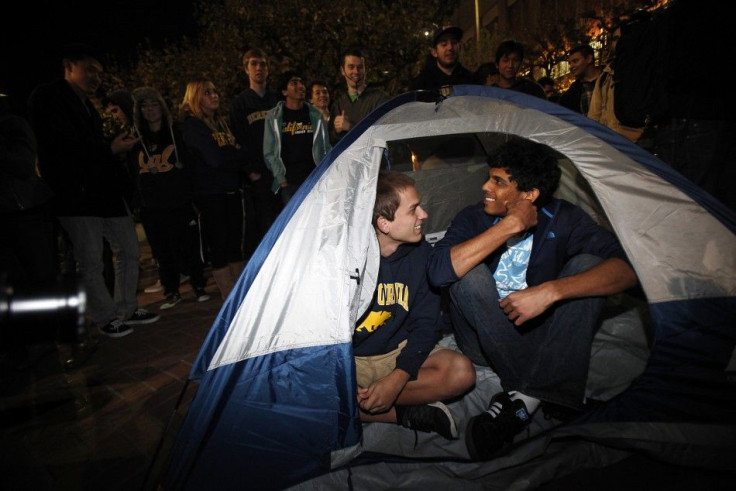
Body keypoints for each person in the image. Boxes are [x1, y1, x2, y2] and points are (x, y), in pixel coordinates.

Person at [426, 138, 637, 460]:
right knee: (466, 273)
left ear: (529, 194)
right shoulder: (473, 217)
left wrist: (553, 291)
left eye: (497, 181)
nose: (485, 186)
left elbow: (628, 269)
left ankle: (525, 400)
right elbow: (439, 273)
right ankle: (555, 393)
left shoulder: (565, 217)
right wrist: (510, 224)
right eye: (489, 176)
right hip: (481, 338)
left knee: (588, 267)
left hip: (540, 330)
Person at [27, 43, 159, 339]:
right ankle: (105, 317)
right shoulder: (48, 97)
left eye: (99, 72)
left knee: (129, 250)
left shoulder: (89, 106)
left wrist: (114, 149)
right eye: (89, 70)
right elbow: (62, 145)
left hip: (105, 193)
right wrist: (109, 148)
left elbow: (95, 150)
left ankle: (127, 309)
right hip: (75, 196)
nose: (96, 78)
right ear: (69, 66)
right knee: (90, 260)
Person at [354, 170, 475, 439]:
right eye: (413, 210)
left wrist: (397, 378)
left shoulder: (421, 255)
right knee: (295, 390)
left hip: (396, 352)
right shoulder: (347, 262)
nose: (424, 215)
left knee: (461, 373)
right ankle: (404, 414)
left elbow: (426, 324)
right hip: (351, 360)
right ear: (384, 223)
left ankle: (361, 405)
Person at [130, 86, 210, 310]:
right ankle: (172, 291)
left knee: (190, 247)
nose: (150, 110)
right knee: (163, 251)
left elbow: (192, 165)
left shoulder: (178, 133)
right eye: (144, 106)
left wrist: (194, 197)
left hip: (181, 202)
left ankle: (198, 285)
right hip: (153, 206)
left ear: (162, 107)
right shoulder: (137, 140)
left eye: (154, 104)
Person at [180, 77, 248, 300]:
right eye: (208, 92)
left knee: (234, 246)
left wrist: (233, 154)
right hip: (210, 195)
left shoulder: (220, 123)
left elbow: (233, 152)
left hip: (230, 191)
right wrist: (235, 154)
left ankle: (239, 293)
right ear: (196, 97)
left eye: (215, 91)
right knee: (219, 247)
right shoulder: (193, 126)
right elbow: (215, 159)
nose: (215, 95)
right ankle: (229, 297)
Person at [229, 48, 282, 260]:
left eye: (262, 64)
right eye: (253, 64)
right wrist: (250, 172)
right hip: (257, 179)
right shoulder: (239, 104)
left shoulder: (277, 100)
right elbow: (236, 140)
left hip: (280, 175)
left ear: (268, 69)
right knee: (260, 228)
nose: (258, 68)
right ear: (246, 69)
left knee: (282, 224)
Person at [263, 71, 331, 205]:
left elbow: (325, 147)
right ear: (284, 91)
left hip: (314, 180)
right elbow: (269, 152)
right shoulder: (274, 117)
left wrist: (326, 172)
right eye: (294, 83)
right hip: (289, 184)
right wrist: (281, 178)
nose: (300, 86)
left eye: (301, 83)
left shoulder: (316, 115)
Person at [587, 26, 644, 143]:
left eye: (622, 38)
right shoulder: (605, 76)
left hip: (634, 145)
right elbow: (594, 115)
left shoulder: (643, 69)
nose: (619, 42)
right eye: (615, 39)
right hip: (610, 144)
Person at [329, 48, 389, 144]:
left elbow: (385, 133)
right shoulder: (338, 105)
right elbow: (331, 142)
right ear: (342, 70)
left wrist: (350, 127)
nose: (356, 71)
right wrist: (336, 131)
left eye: (360, 67)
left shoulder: (379, 99)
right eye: (351, 67)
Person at [409, 26, 475, 91]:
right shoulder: (421, 84)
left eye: (454, 43)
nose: (450, 47)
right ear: (434, 52)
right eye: (444, 44)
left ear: (459, 47)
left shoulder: (471, 80)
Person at [558, 45, 601, 115]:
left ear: (589, 59)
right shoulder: (571, 94)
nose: (571, 66)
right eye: (570, 63)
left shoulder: (611, 78)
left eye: (575, 61)